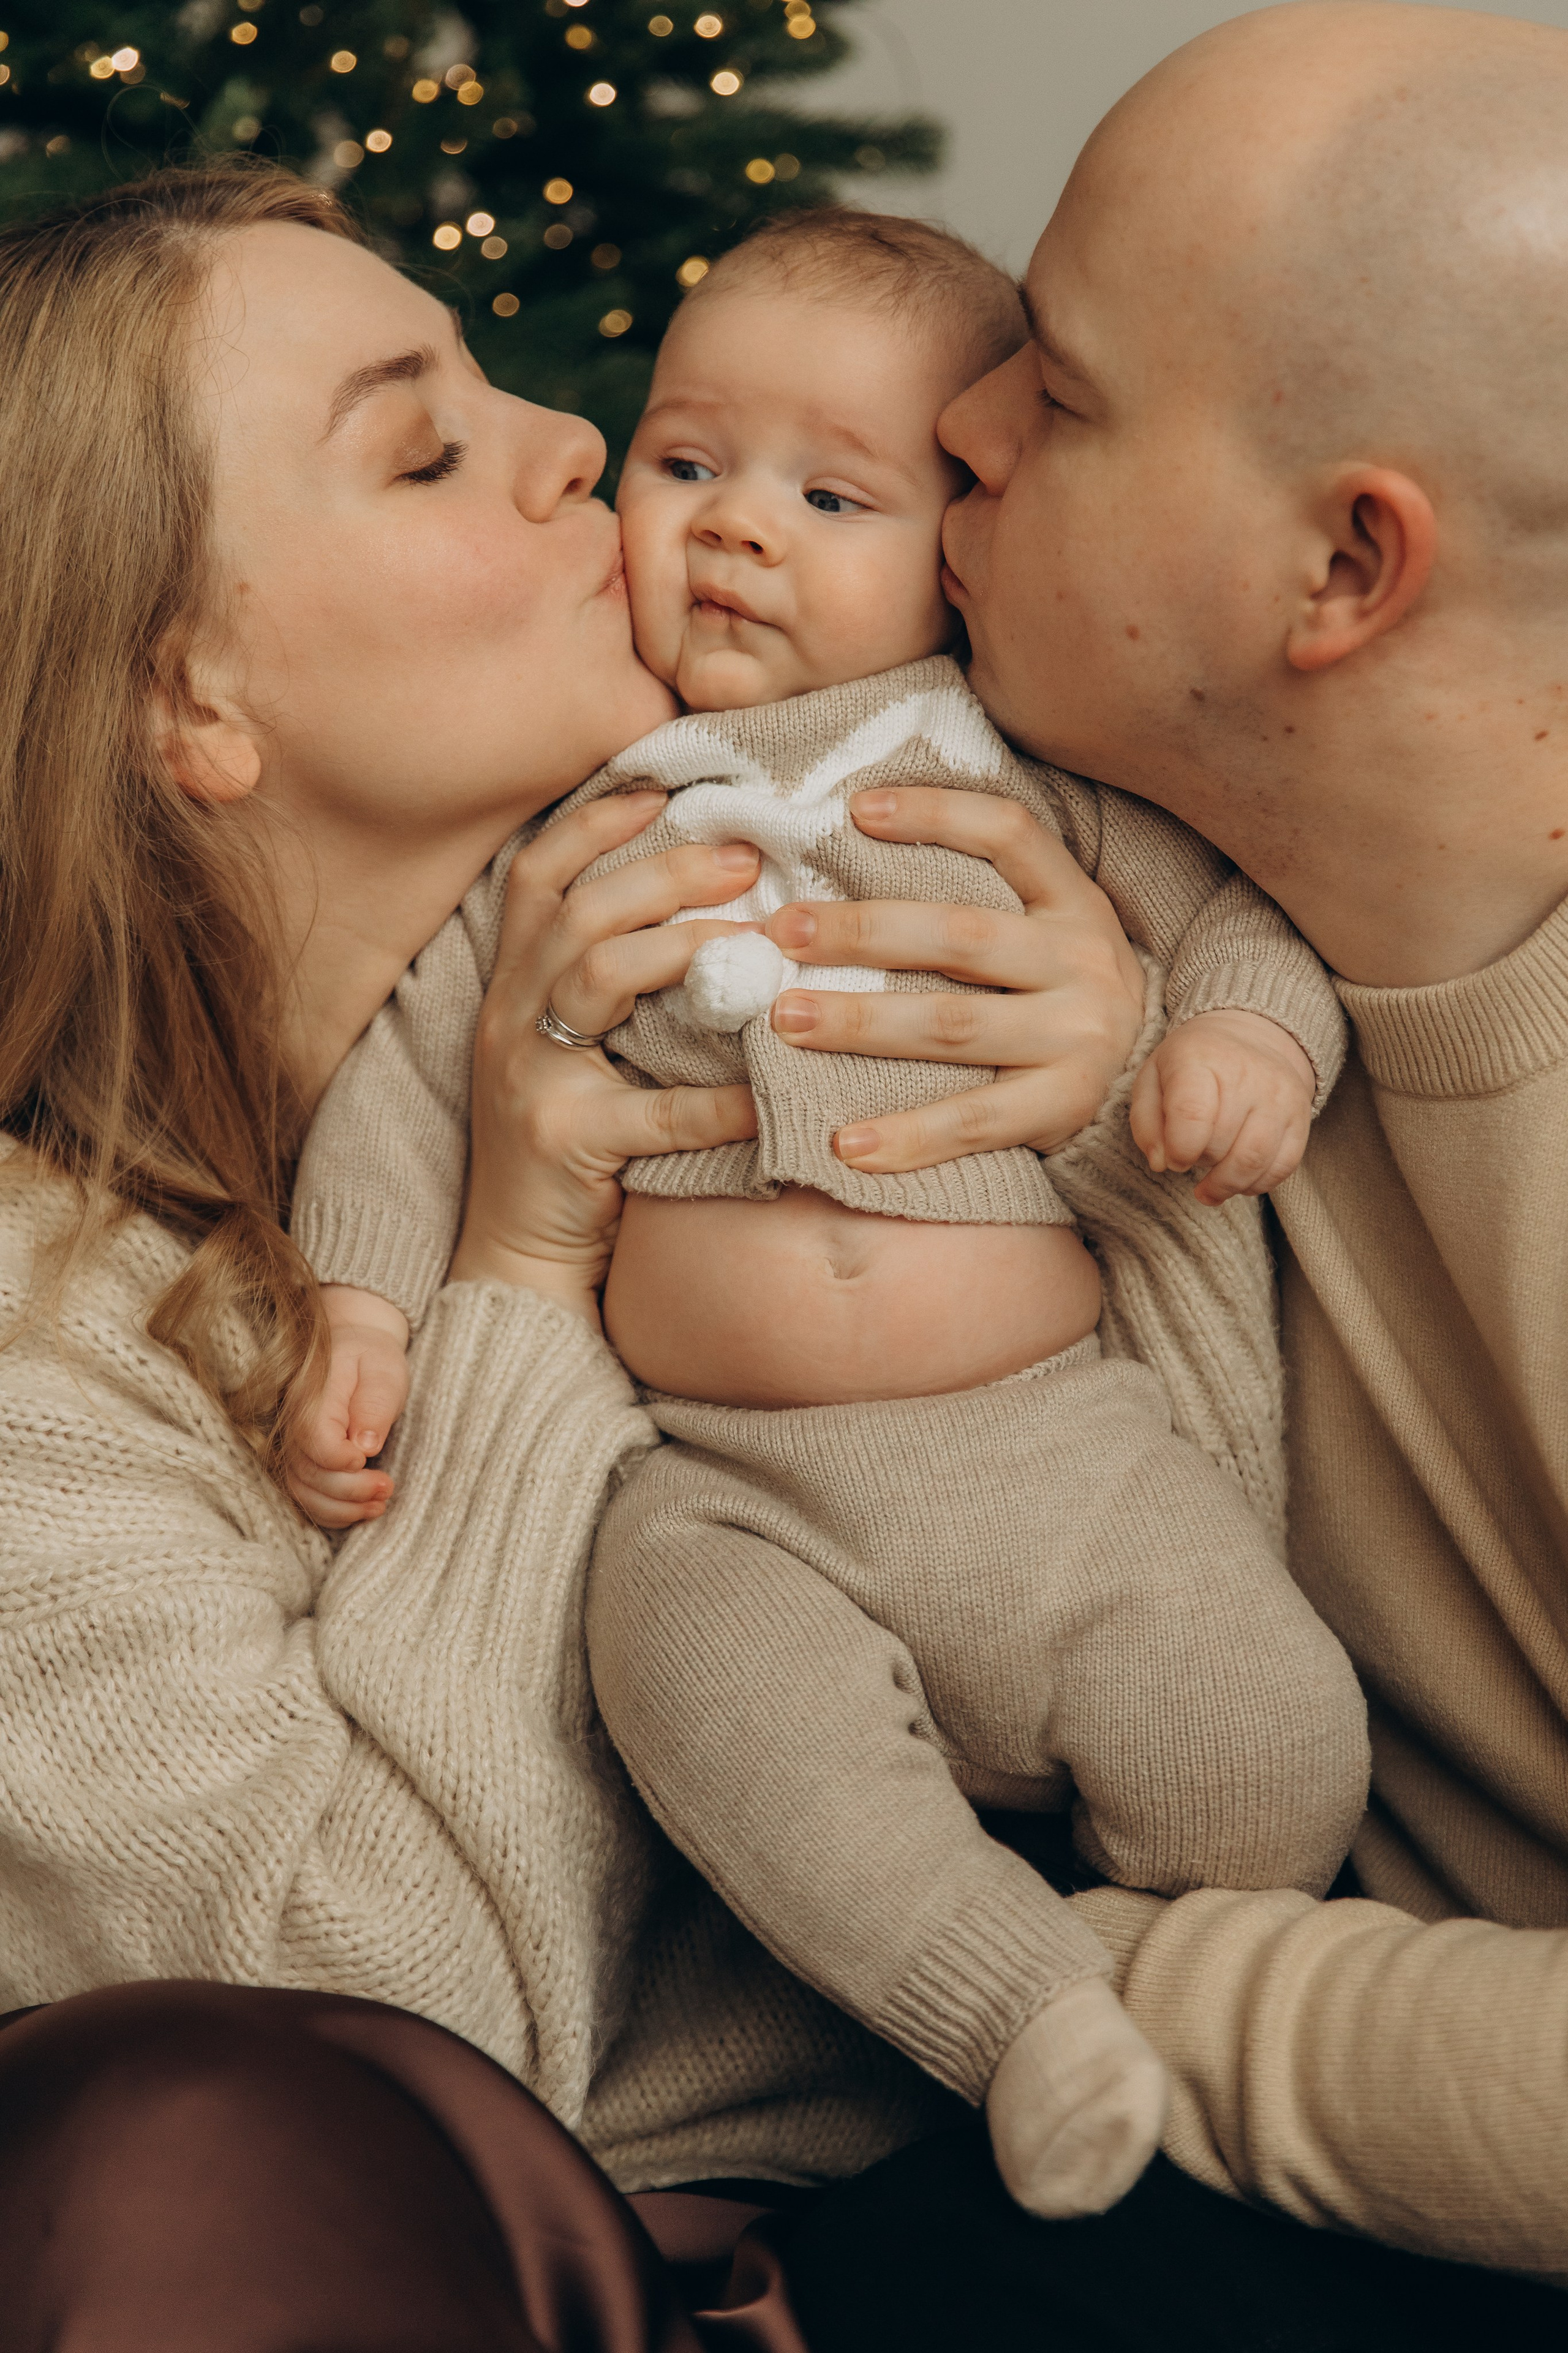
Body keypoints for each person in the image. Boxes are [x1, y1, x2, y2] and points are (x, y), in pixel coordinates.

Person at [0, 157, 1145, 2340]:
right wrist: (516, 1272)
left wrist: (1117, 1126)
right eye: (424, 446)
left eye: (510, 395)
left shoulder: (832, 905)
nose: (572, 447)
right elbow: (373, 2064)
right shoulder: (40, 1356)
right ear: (191, 705)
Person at [285, 203, 1368, 2229]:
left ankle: (1171, 1996)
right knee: (699, 1689)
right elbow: (420, 1079)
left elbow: (1242, 928)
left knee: (1267, 1745)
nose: (734, 528)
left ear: (960, 541)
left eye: (830, 491)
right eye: (686, 463)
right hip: (728, 1484)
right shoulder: (578, 823)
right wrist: (359, 1301)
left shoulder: (1021, 782)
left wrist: (1245, 1051)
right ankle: (1013, 2014)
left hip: (1057, 1449)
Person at [919, 0, 1568, 2292]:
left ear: (1342, 574)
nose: (955, 428)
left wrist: (1052, 1980)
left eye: (1062, 393)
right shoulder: (1115, 896)